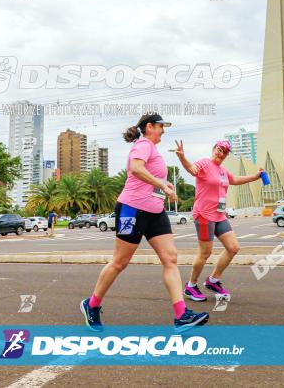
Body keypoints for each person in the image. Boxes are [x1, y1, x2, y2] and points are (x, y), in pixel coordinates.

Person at [80, 113, 209, 333]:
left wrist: (166, 187)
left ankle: (181, 316)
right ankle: (91, 305)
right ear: (149, 127)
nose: (163, 131)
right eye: (161, 126)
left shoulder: (153, 149)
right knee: (120, 262)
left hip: (155, 212)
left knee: (171, 258)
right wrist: (161, 182)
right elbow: (137, 169)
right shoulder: (143, 144)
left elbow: (151, 178)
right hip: (132, 209)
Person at [175, 139, 265, 301]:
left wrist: (255, 177)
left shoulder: (223, 171)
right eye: (219, 149)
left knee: (233, 247)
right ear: (214, 149)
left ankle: (213, 280)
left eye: (225, 151)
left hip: (219, 215)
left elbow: (235, 180)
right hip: (203, 215)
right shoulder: (204, 163)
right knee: (205, 252)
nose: (221, 153)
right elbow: (191, 169)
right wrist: (182, 157)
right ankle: (191, 286)